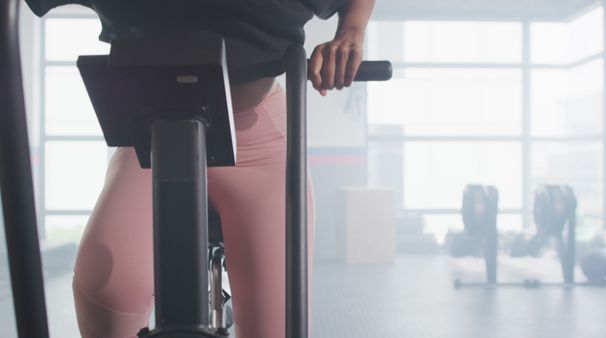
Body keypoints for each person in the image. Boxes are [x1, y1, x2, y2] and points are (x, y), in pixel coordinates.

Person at [23, 0, 376, 337]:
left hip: (257, 141)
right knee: (108, 289)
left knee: (280, 324)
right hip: (151, 141)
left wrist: (352, 32)